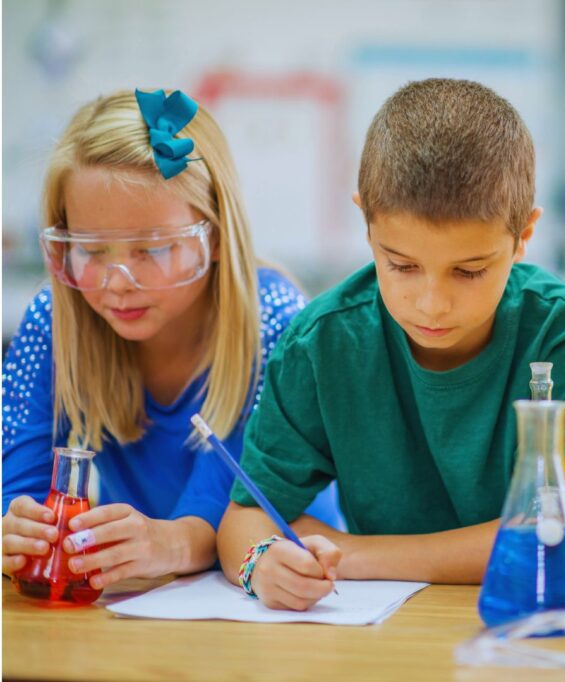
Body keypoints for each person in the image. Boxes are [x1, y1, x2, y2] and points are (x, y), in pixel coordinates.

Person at [217, 78, 565, 611]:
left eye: (469, 271)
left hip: (517, 619)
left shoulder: (558, 331)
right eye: (401, 265)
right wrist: (261, 562)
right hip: (377, 631)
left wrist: (355, 556)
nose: (431, 304)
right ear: (366, 223)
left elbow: (558, 530)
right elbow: (246, 517)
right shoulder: (321, 343)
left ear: (524, 236)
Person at [2, 88, 339, 591]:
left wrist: (166, 545)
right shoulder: (56, 321)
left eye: (153, 249)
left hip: (295, 592)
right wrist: (18, 534)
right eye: (89, 250)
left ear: (219, 235)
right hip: (156, 597)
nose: (117, 281)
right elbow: (17, 494)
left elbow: (221, 511)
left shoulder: (276, 321)